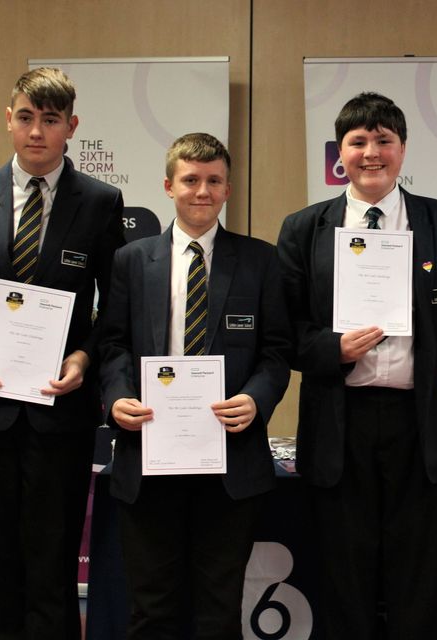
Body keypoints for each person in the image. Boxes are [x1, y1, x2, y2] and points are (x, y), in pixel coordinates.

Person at [277, 92, 437, 639]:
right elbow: (284, 330)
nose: (371, 153)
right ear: (339, 154)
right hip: (338, 419)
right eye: (358, 142)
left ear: (402, 149)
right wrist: (334, 350)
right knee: (343, 572)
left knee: (417, 573)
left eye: (383, 141)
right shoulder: (305, 228)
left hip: (420, 419)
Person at [0, 67, 125, 639]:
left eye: (50, 120)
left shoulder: (101, 202)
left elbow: (117, 309)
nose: (36, 131)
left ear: (71, 126)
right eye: (26, 117)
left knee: (51, 569)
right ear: (8, 120)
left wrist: (84, 358)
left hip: (59, 414)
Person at [99, 133, 291, 639]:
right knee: (152, 609)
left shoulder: (260, 260)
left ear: (228, 189)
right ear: (168, 186)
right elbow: (112, 345)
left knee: (218, 610)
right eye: (190, 180)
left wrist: (256, 398)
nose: (201, 191)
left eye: (213, 181)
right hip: (149, 455)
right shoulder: (132, 260)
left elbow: (276, 352)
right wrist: (117, 397)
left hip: (229, 460)